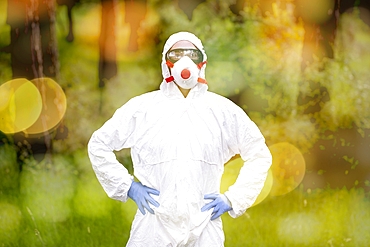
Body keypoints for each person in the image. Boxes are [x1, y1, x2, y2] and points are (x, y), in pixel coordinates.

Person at [88, 31, 272, 247]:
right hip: (153, 226)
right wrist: (127, 186)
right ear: (166, 62)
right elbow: (99, 144)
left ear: (202, 62)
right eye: (176, 54)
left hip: (205, 226)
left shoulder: (223, 112)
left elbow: (259, 154)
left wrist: (234, 198)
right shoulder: (142, 109)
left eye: (192, 54)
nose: (185, 61)